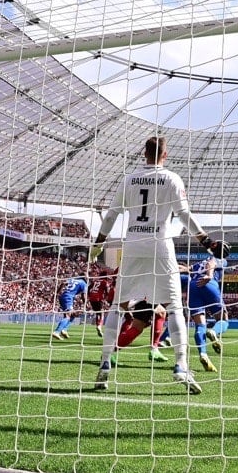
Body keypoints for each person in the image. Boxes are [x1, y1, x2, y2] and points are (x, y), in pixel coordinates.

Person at [87, 136, 228, 394]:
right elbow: (184, 215)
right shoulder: (172, 178)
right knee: (174, 307)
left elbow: (111, 215)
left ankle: (105, 364)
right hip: (162, 245)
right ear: (166, 154)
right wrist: (207, 241)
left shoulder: (129, 179)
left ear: (144, 153)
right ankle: (181, 366)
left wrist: (99, 243)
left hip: (133, 246)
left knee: (118, 305)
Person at [188, 255, 226, 372]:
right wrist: (209, 275)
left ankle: (203, 354)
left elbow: (185, 269)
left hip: (193, 286)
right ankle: (214, 331)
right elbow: (212, 263)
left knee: (200, 325)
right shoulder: (220, 259)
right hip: (208, 283)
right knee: (223, 318)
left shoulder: (198, 263)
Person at [52, 276, 89, 340]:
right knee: (68, 316)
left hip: (63, 296)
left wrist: (56, 294)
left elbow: (62, 283)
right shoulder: (83, 283)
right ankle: (56, 332)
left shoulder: (72, 280)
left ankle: (64, 330)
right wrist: (86, 304)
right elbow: (83, 296)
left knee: (73, 315)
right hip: (68, 298)